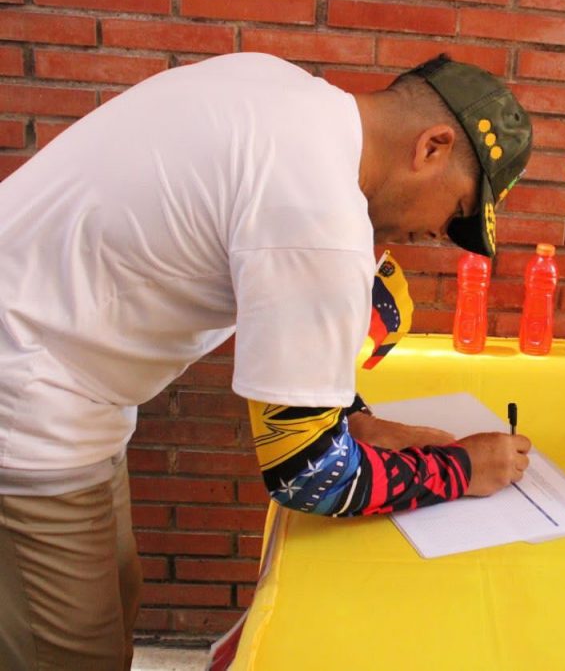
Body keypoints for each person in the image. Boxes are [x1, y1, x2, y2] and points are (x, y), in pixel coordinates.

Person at [0, 52, 533, 669]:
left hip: (57, 370)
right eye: (460, 210)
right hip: (27, 397)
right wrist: (462, 468)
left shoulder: (278, 88)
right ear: (431, 149)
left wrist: (350, 415)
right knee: (71, 652)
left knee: (114, 599)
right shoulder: (318, 215)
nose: (442, 232)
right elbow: (309, 476)